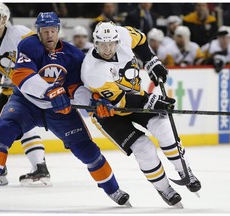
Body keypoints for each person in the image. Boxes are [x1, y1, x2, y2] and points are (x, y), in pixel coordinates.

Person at [0, 11, 130, 209]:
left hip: (58, 110)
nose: (49, 35)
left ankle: (114, 190)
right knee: (1, 133)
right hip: (26, 103)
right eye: (45, 31)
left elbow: (76, 88)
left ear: (59, 31)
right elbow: (21, 75)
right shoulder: (28, 45)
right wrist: (51, 91)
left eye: (52, 31)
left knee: (87, 150)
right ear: (38, 32)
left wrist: (93, 101)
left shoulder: (73, 55)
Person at [81, 21, 201, 208]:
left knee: (163, 128)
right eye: (102, 45)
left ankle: (185, 171)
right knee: (143, 147)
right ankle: (164, 188)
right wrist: (153, 101)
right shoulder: (93, 71)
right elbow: (121, 102)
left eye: (111, 44)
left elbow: (141, 40)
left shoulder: (123, 34)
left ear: (117, 41)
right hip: (108, 113)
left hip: (135, 96)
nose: (107, 49)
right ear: (95, 43)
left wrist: (152, 62)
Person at [0, 3, 51, 186]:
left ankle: (40, 168)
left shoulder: (21, 33)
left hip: (31, 88)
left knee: (21, 118)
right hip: (11, 91)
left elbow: (43, 56)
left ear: (4, 18)